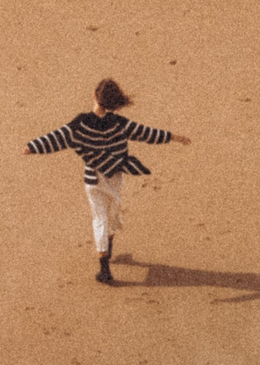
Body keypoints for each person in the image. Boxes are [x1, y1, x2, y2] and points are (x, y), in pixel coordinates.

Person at [22, 78, 191, 284]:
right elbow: (146, 133)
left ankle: (105, 269)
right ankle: (107, 253)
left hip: (93, 178)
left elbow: (57, 138)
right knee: (111, 214)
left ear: (94, 95)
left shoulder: (81, 123)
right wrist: (174, 137)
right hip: (114, 177)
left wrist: (33, 147)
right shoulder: (119, 124)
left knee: (99, 218)